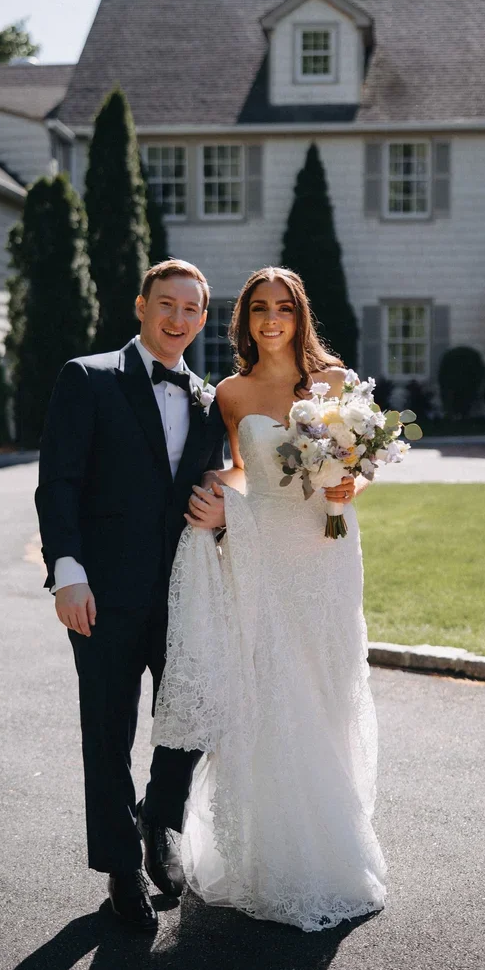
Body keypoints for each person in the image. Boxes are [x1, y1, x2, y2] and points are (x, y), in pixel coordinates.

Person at [153, 267, 387, 932]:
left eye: (284, 307)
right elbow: (239, 467)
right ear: (246, 320)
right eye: (260, 308)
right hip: (265, 552)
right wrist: (215, 499)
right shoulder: (230, 392)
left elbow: (360, 464)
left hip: (328, 549)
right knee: (272, 687)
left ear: (299, 314)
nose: (272, 318)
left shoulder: (333, 381)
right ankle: (269, 851)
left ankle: (332, 839)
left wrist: (350, 487)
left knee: (327, 682)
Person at [35, 259, 226, 932]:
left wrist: (224, 514)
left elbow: (218, 485)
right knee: (108, 730)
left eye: (191, 309)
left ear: (203, 319)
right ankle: (120, 866)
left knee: (188, 721)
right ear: (142, 306)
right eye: (166, 304)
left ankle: (158, 824)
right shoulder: (87, 378)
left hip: (184, 591)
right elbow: (58, 482)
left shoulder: (209, 399)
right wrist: (68, 572)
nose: (177, 318)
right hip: (103, 593)